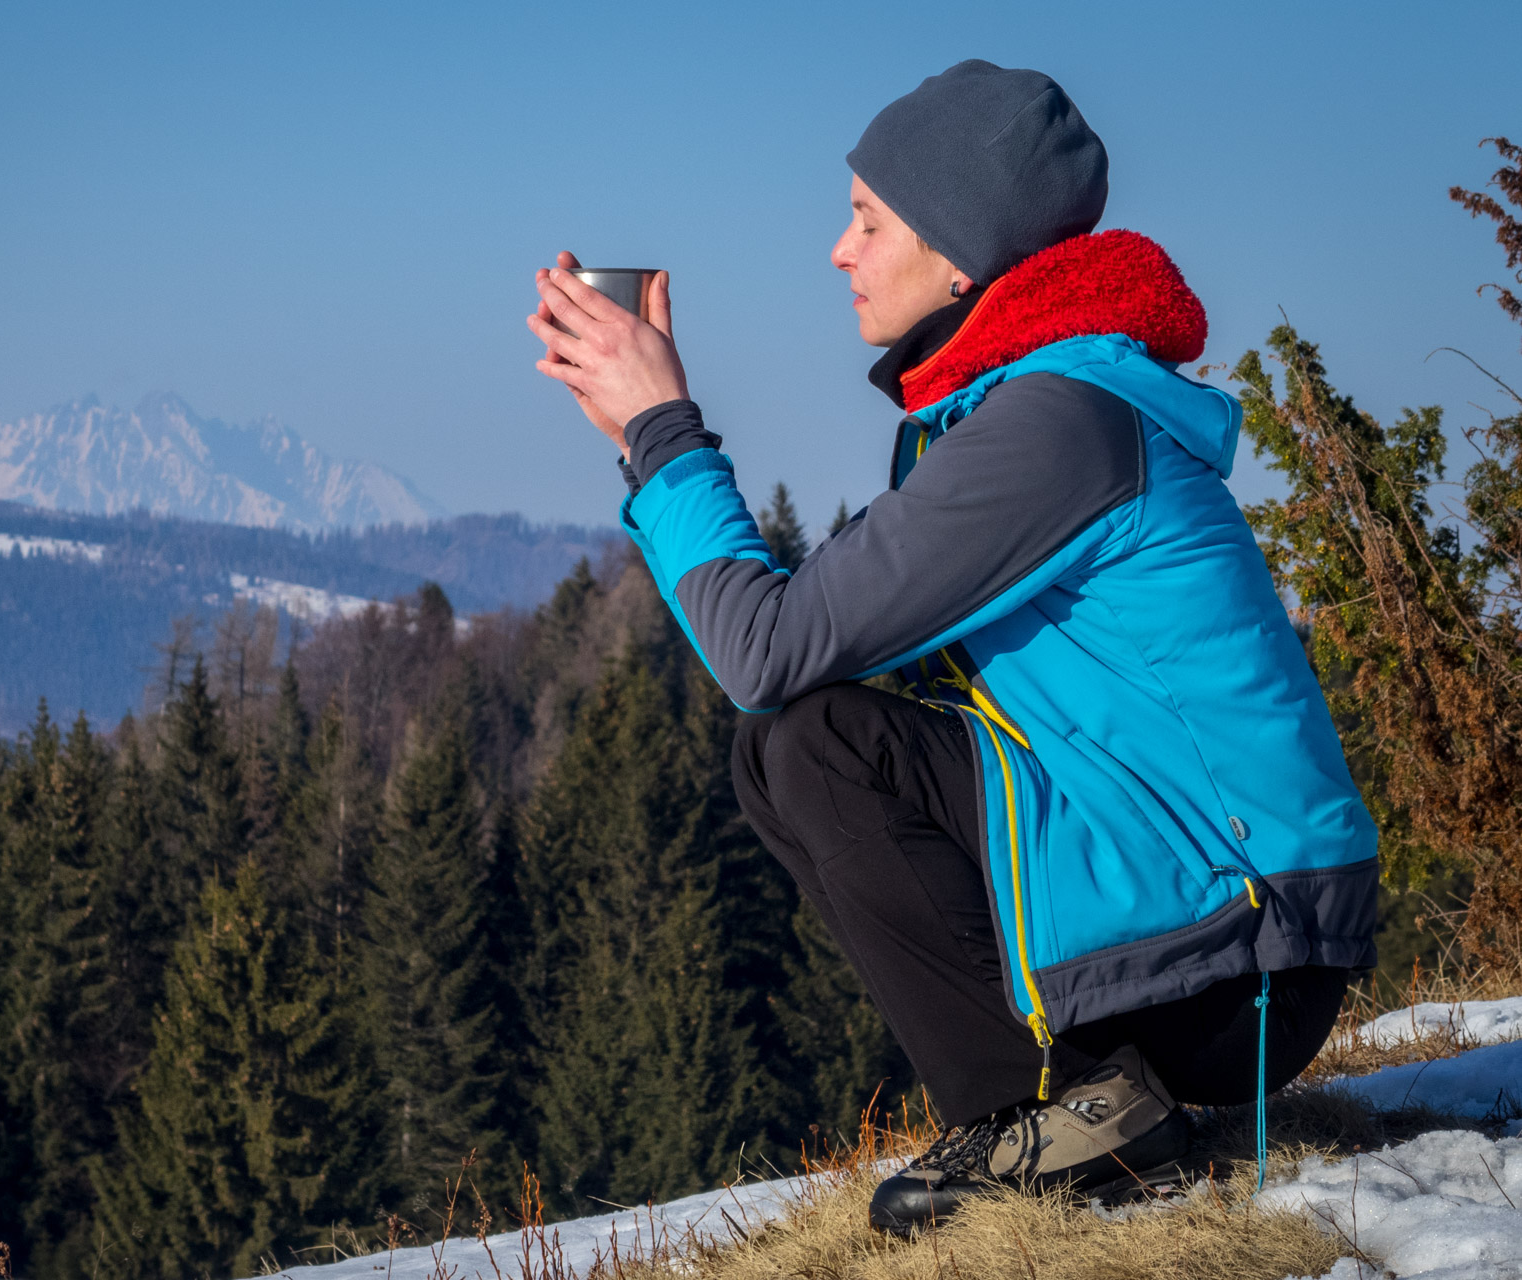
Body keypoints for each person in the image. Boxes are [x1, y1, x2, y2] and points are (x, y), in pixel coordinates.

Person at [525, 59, 1377, 1234]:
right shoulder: (1013, 411)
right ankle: (1056, 1099)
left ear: (962, 250)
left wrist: (663, 430)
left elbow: (765, 651)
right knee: (794, 745)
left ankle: (1056, 1110)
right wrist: (646, 438)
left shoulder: (1056, 424)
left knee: (813, 736)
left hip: (1245, 964)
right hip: (1204, 924)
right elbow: (814, 649)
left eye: (868, 221)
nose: (838, 249)